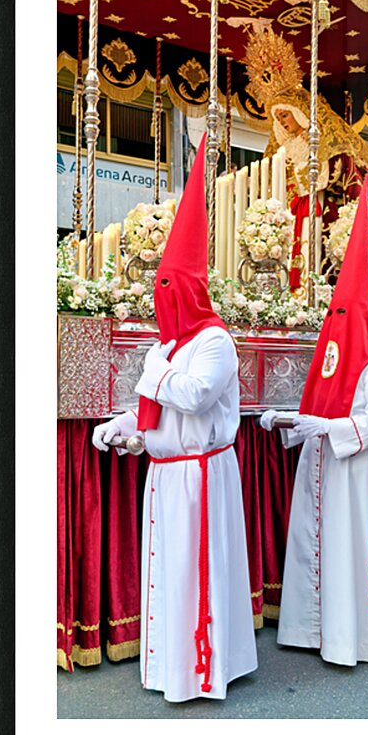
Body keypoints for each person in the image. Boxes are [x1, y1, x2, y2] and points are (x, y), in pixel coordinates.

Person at [93, 135, 257, 701]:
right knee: (170, 575)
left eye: (169, 288)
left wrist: (149, 371)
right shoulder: (166, 346)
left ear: (187, 290)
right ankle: (171, 668)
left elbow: (192, 397)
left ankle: (206, 668)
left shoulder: (215, 341)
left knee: (198, 576)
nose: (161, 299)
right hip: (168, 474)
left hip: (202, 478)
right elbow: (157, 408)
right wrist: (125, 428)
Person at [261, 177, 368, 665]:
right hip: (322, 464)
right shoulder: (330, 354)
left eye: (345, 311)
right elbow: (317, 407)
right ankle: (311, 629)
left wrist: (329, 430)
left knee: (350, 548)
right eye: (332, 312)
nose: (337, 318)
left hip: (356, 469)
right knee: (314, 542)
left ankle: (352, 638)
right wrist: (289, 423)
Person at [244, 28, 368, 297]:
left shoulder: (326, 142)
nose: (283, 122)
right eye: (279, 118)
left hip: (324, 211)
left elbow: (342, 173)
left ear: (301, 112)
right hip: (296, 216)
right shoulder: (284, 152)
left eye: (286, 115)